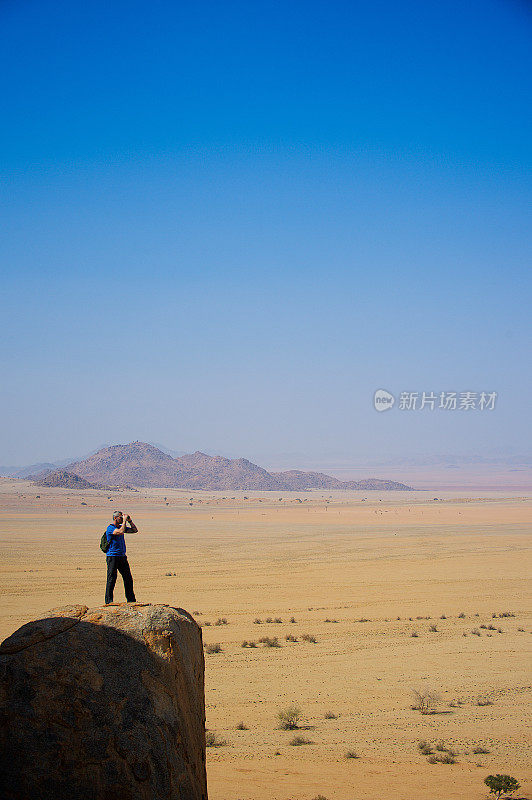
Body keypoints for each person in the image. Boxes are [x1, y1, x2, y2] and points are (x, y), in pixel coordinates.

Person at [104, 510, 138, 604]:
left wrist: (130, 521)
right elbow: (121, 532)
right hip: (112, 556)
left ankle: (131, 600)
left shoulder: (120, 526)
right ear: (115, 518)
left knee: (128, 578)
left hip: (122, 556)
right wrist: (124, 522)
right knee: (111, 579)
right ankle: (108, 601)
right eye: (120, 517)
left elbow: (135, 530)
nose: (122, 519)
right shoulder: (110, 528)